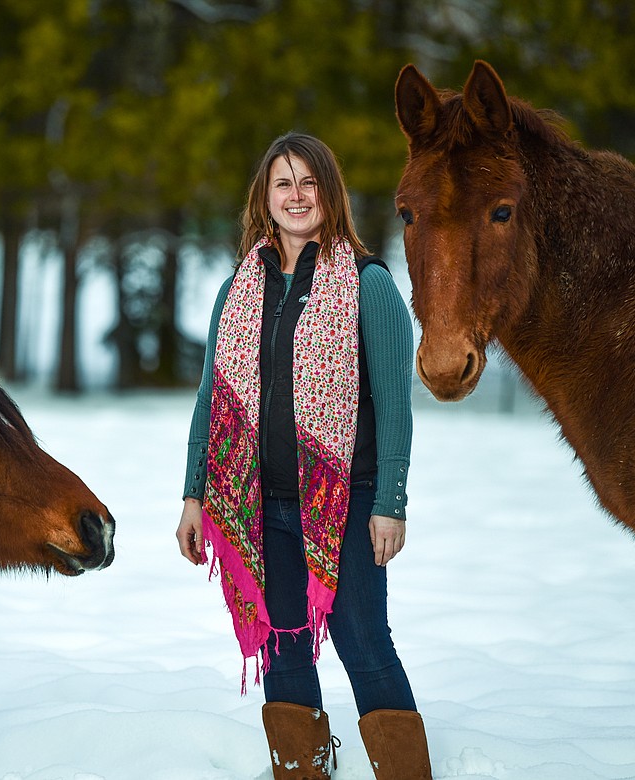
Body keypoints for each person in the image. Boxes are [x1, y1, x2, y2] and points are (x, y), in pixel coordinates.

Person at [175, 132, 431, 779]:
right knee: (285, 651)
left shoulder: (368, 284)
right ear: (265, 197)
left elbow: (395, 406)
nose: (296, 196)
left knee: (364, 644)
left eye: (308, 182)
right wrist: (193, 494)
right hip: (260, 506)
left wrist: (391, 504)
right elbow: (212, 399)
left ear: (329, 192)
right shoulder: (238, 289)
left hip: (349, 503)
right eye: (283, 183)